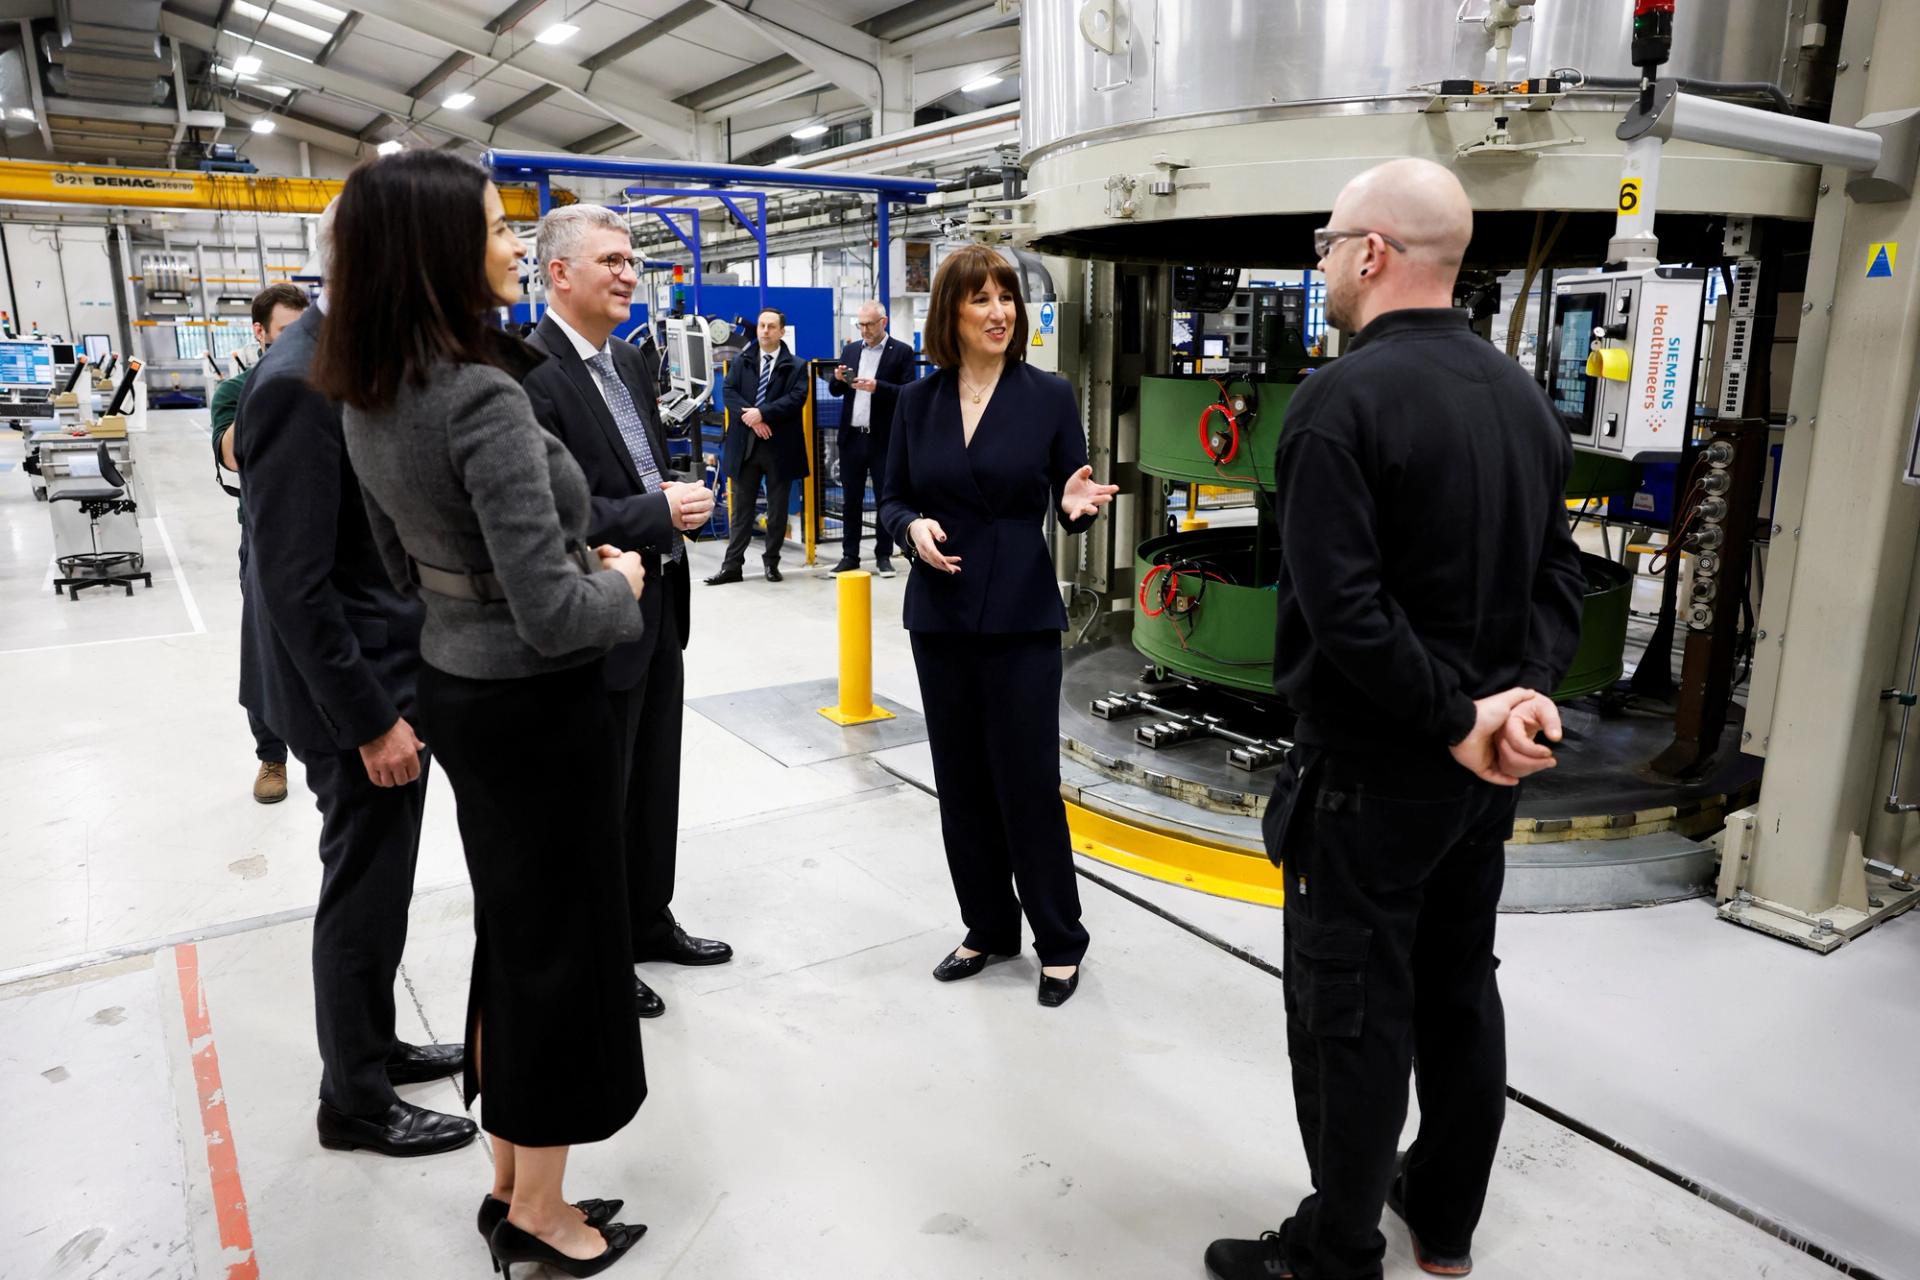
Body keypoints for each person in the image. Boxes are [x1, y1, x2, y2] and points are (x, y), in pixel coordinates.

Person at [1203, 158, 1585, 1280]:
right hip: (1479, 784)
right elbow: (1560, 576)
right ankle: (1447, 1217)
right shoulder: (1521, 395)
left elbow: (1346, 611)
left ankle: (1336, 1247)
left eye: (1326, 241)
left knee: (1352, 1013)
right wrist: (1521, 702)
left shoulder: (1338, 402)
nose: (1320, 260)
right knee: (1460, 987)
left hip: (1372, 774)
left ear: (1371, 253)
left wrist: (1460, 712)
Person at [318, 152, 652, 1278]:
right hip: (536, 703)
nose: (513, 247)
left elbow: (393, 560)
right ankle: (543, 1216)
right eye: (498, 231)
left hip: (459, 684)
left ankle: (511, 1173)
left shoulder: (370, 386)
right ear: (438, 251)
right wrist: (620, 582)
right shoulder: (479, 395)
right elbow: (560, 615)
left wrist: (513, 578)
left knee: (515, 937)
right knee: (559, 948)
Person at [234, 201, 475, 1162]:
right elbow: (292, 584)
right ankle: (356, 1102)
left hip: (386, 677)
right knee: (363, 892)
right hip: (352, 698)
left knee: (386, 887)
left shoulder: (357, 364)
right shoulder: (297, 382)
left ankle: (373, 1052)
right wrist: (372, 721)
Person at [878, 244, 1118, 1008]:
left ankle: (1060, 940)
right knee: (961, 783)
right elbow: (889, 498)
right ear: (951, 311)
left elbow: (1069, 493)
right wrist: (908, 526)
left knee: (1026, 783)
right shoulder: (917, 402)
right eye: (981, 299)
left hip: (1018, 613)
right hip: (941, 616)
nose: (999, 312)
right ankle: (987, 926)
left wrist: (1074, 510)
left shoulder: (1048, 395)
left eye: (1006, 298)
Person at [522, 203, 733, 1022]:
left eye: (631, 261)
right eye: (608, 260)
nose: (626, 273)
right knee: (599, 799)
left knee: (653, 782)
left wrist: (669, 502)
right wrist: (657, 513)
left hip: (659, 607)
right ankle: (604, 953)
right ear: (559, 273)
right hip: (596, 613)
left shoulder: (630, 365)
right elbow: (548, 516)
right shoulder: (530, 374)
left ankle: (649, 919)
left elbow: (635, 470)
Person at [212, 281, 308, 804]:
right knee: (267, 650)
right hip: (266, 540)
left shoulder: (326, 381)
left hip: (327, 535)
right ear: (260, 334)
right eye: (288, 334)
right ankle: (272, 756)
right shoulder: (235, 392)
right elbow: (231, 455)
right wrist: (264, 385)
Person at [708, 307, 808, 584]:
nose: (765, 330)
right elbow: (729, 391)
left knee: (776, 512)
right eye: (762, 325)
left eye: (771, 326)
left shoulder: (797, 366)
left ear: (781, 331)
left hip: (780, 448)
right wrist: (752, 419)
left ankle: (772, 564)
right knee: (741, 510)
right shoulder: (743, 360)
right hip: (746, 447)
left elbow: (796, 398)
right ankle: (732, 567)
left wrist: (763, 414)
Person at [826, 300, 915, 578]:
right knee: (850, 499)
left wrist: (878, 387)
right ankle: (849, 556)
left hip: (884, 439)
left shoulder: (901, 352)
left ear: (883, 322)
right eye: (860, 324)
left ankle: (884, 555)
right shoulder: (851, 350)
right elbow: (835, 390)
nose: (864, 329)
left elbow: (909, 392)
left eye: (869, 324)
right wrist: (838, 378)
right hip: (853, 437)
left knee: (884, 499)